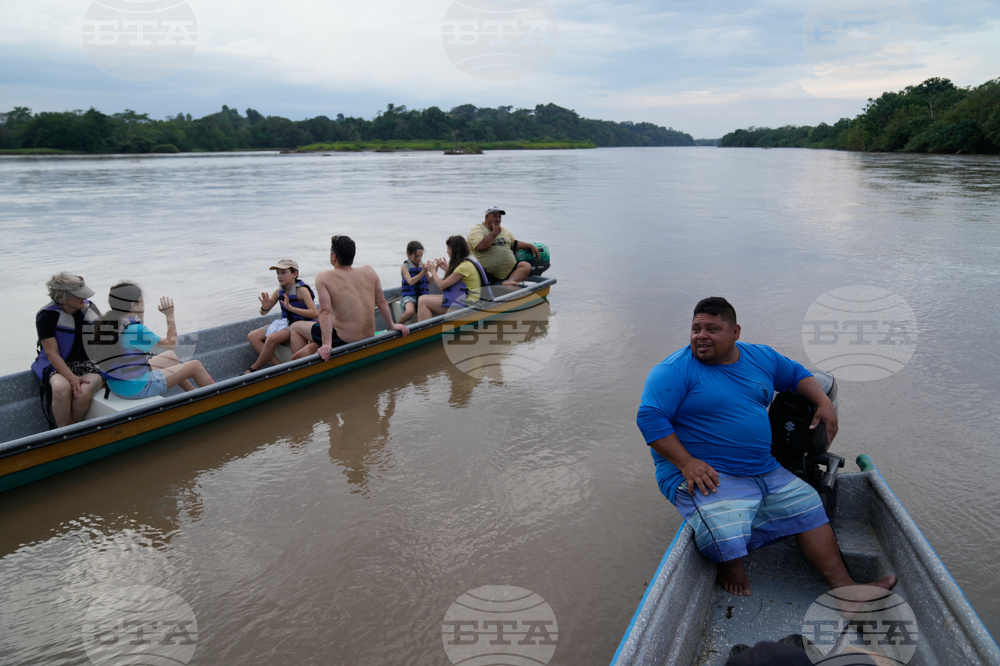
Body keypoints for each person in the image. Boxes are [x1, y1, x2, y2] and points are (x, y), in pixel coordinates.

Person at [636, 297, 896, 598]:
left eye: (712, 329)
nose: (701, 336)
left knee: (809, 504)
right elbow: (650, 419)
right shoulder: (673, 371)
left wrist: (823, 402)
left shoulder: (761, 357)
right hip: (701, 470)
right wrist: (686, 463)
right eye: (696, 329)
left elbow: (797, 376)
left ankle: (846, 591)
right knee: (725, 522)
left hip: (762, 467)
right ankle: (731, 567)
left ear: (736, 332)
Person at [288, 235, 410, 361]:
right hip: (368, 335)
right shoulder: (369, 270)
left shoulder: (324, 277)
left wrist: (326, 344)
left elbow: (326, 311)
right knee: (327, 325)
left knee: (295, 327)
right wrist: (392, 325)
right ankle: (311, 348)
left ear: (334, 256)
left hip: (343, 340)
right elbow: (381, 301)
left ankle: (301, 365)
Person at [93, 282, 214, 398]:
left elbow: (134, 340)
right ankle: (217, 397)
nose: (143, 302)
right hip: (137, 388)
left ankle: (193, 394)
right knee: (195, 366)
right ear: (133, 305)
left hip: (118, 385)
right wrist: (169, 315)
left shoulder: (110, 322)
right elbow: (171, 344)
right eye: (141, 300)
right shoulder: (135, 330)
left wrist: (140, 315)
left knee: (170, 357)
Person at [31, 272, 105, 428]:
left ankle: (68, 430)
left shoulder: (89, 308)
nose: (84, 298)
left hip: (87, 363)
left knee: (83, 392)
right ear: (63, 296)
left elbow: (107, 338)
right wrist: (71, 378)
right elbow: (51, 353)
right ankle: (63, 430)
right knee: (61, 389)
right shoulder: (47, 316)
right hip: (56, 364)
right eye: (80, 295)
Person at [244, 259, 318, 374]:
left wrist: (293, 309)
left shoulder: (302, 291)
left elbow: (315, 313)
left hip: (299, 327)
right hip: (285, 323)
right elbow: (263, 313)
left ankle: (254, 367)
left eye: (283, 272)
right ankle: (279, 366)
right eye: (278, 273)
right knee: (252, 336)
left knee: (271, 338)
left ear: (295, 274)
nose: (279, 276)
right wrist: (265, 307)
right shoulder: (279, 291)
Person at [416, 235, 493, 322]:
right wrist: (446, 268)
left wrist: (433, 271)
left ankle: (428, 329)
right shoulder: (468, 261)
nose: (447, 251)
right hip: (469, 302)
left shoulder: (464, 267)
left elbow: (442, 285)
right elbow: (457, 279)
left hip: (467, 306)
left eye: (448, 249)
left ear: (454, 250)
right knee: (424, 299)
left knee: (422, 301)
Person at [467, 205, 540, 287]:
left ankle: (510, 281)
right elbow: (480, 246)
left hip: (509, 270)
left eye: (499, 217)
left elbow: (513, 243)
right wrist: (494, 234)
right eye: (494, 216)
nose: (497, 219)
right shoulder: (477, 230)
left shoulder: (504, 231)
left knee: (525, 266)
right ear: (486, 217)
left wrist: (529, 246)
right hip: (487, 273)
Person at [398, 241, 429, 325]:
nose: (419, 258)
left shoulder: (422, 266)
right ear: (409, 254)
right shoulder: (405, 267)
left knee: (422, 312)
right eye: (417, 256)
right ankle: (396, 327)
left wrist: (434, 269)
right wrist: (423, 272)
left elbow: (430, 281)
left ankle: (413, 329)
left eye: (421, 256)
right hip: (409, 296)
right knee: (410, 311)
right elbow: (410, 282)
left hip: (421, 296)